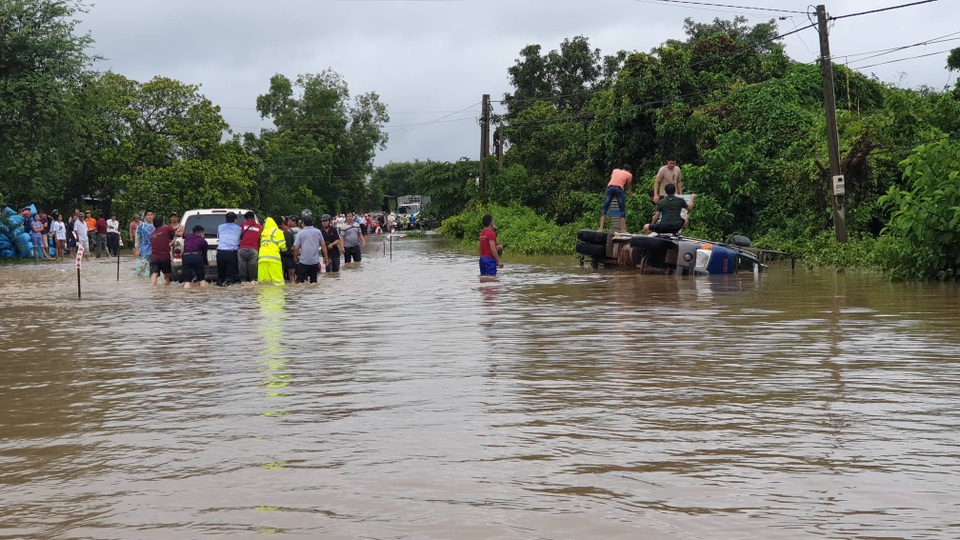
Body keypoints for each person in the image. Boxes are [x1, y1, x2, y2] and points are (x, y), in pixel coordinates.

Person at [293, 215, 328, 283]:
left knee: (300, 282)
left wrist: (296, 257)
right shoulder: (318, 232)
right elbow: (323, 245)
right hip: (314, 262)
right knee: (314, 282)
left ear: (303, 223)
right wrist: (326, 257)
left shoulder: (300, 233)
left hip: (303, 262)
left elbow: (296, 247)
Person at [598, 165, 633, 233]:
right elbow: (629, 185)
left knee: (605, 207)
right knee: (622, 209)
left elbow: (613, 178)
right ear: (628, 170)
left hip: (610, 187)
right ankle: (623, 230)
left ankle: (601, 228)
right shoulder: (629, 174)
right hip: (619, 189)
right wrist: (630, 192)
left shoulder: (615, 170)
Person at [257, 217, 287, 285]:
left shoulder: (263, 232)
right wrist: (285, 250)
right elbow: (282, 246)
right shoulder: (278, 231)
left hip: (262, 260)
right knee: (278, 282)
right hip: (274, 260)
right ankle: (278, 295)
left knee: (263, 283)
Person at [149, 215, 175, 286]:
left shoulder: (151, 235)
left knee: (154, 274)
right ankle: (166, 291)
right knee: (167, 275)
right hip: (164, 257)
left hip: (154, 257)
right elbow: (174, 232)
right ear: (162, 222)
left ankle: (152, 288)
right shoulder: (166, 229)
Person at [217, 211, 242, 286]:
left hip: (220, 253)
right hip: (232, 253)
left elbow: (219, 236)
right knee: (230, 279)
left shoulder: (220, 227)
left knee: (220, 277)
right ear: (235, 220)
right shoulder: (239, 229)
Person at [238, 210, 262, 283]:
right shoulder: (260, 227)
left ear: (246, 218)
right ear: (254, 218)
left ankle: (243, 281)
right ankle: (253, 281)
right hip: (254, 250)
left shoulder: (243, 225)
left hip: (242, 249)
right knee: (253, 272)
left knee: (242, 269)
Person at [135, 211, 155, 277]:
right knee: (140, 269)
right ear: (145, 216)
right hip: (143, 251)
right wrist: (137, 249)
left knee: (152, 271)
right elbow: (138, 238)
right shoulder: (141, 226)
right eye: (148, 215)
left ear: (153, 216)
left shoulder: (156, 226)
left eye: (151, 215)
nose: (149, 216)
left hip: (154, 251)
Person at [280, 216, 298, 282]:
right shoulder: (290, 232)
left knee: (281, 277)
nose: (288, 222)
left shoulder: (280, 232)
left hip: (282, 256)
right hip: (290, 255)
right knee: (292, 277)